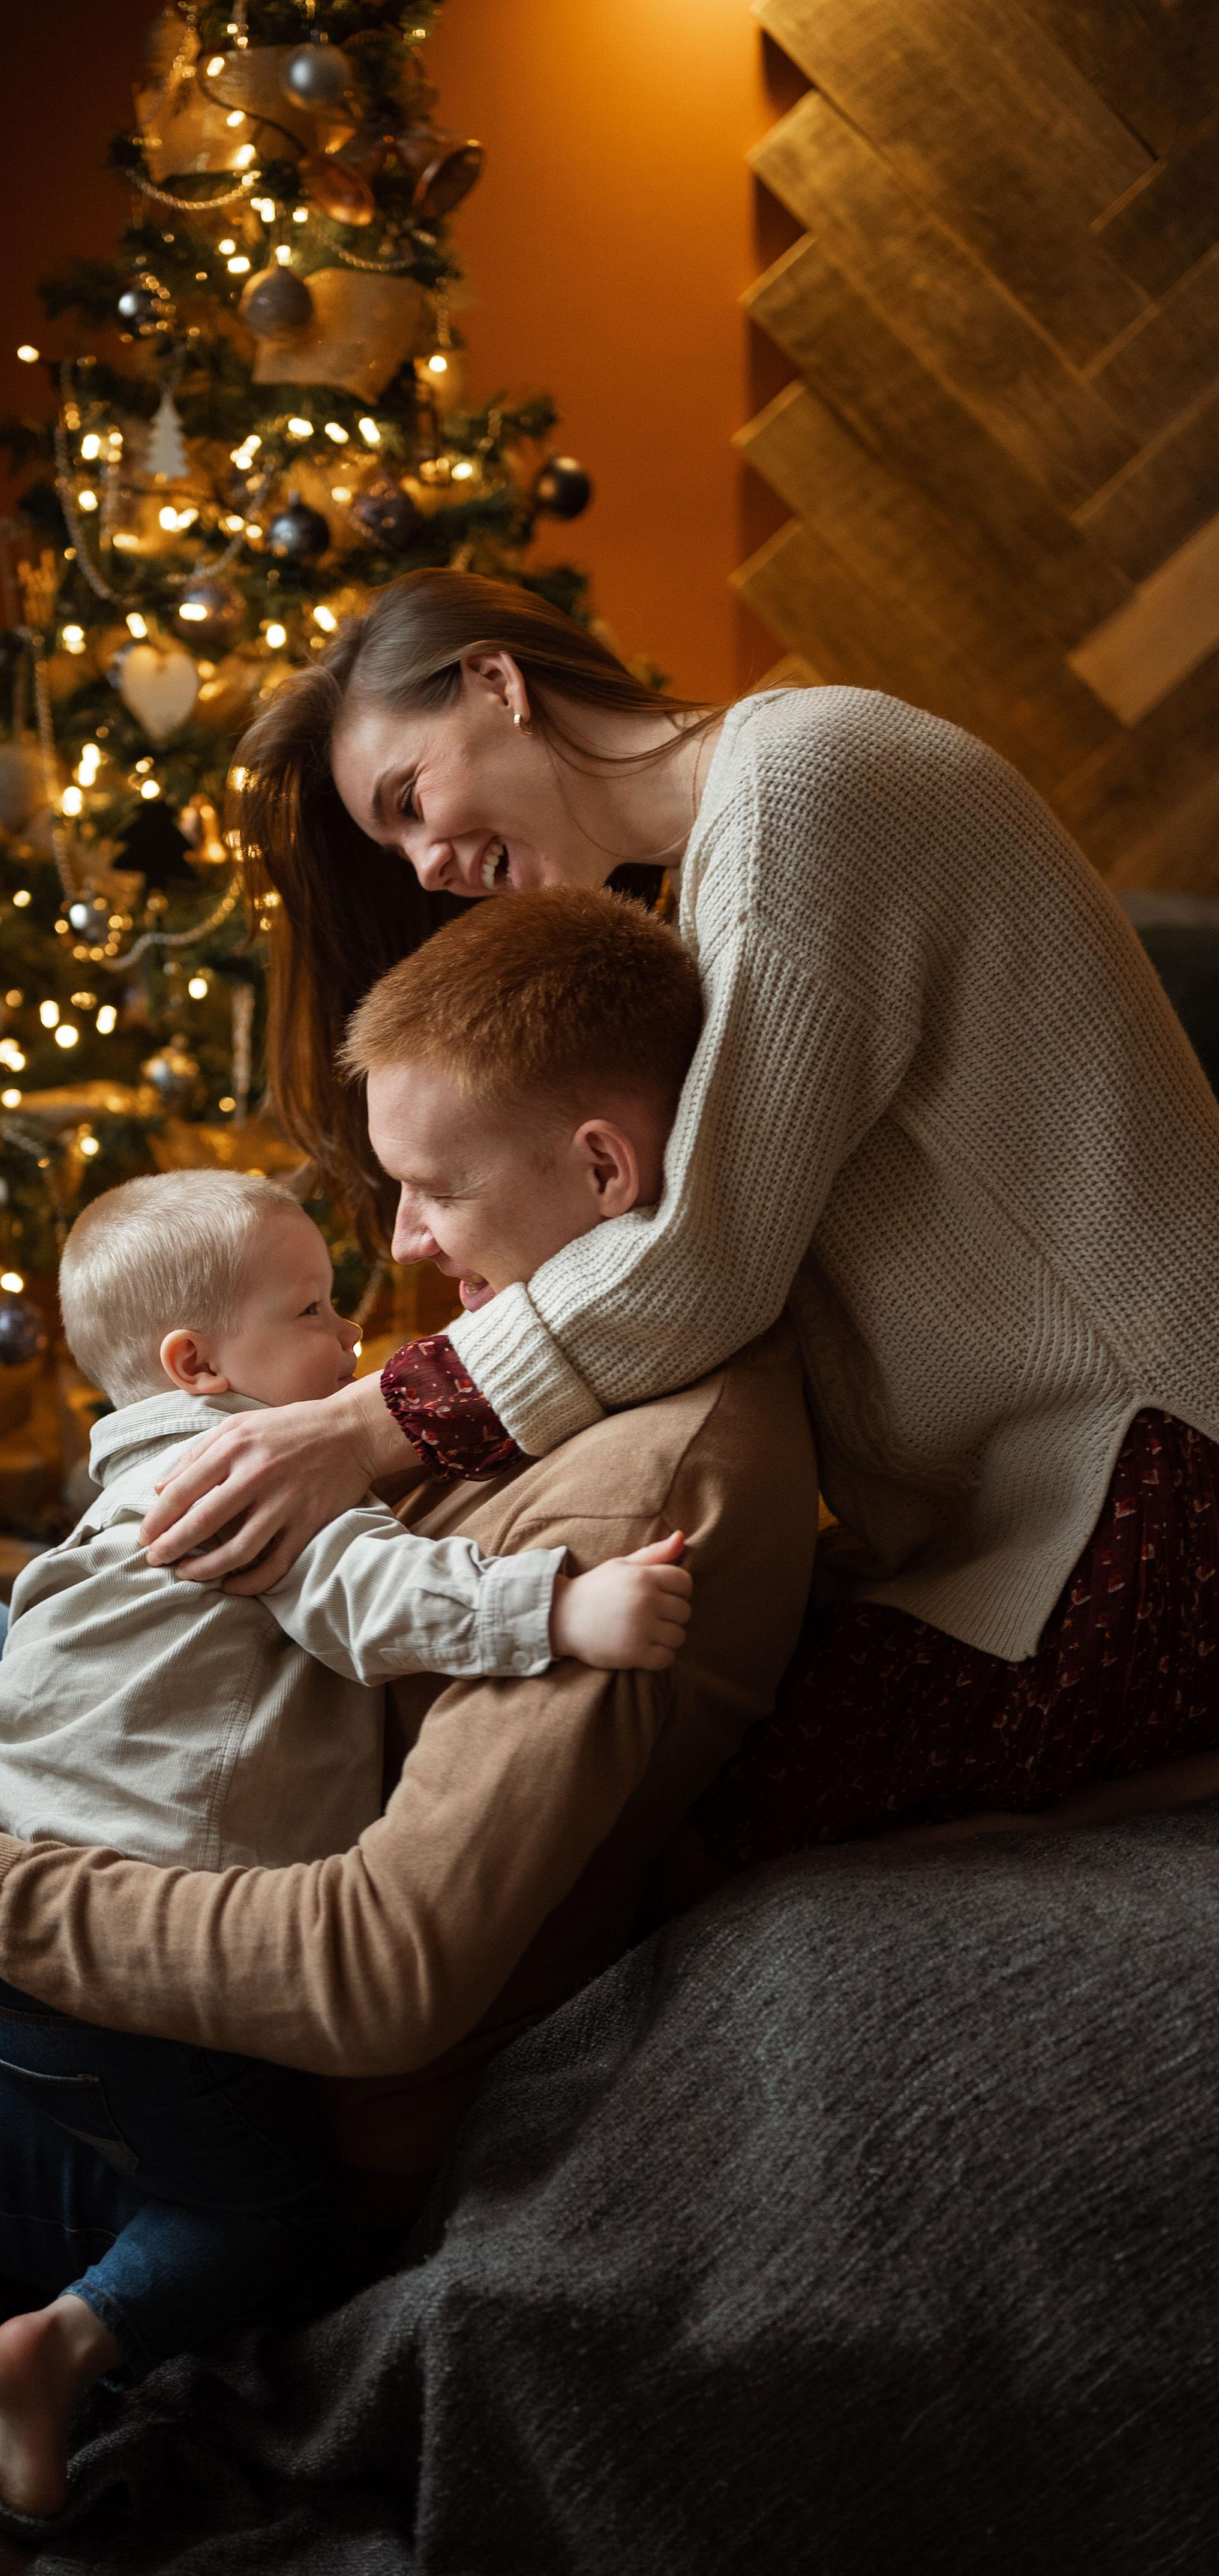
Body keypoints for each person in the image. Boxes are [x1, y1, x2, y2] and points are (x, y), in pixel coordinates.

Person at [0, 887, 816, 2518]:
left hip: (240, 2106)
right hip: (217, 1756)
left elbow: (383, 1970)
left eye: (430, 1188)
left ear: (606, 1173)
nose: (400, 1243)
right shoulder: (567, 1329)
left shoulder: (637, 1504)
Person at [136, 568, 1219, 1851]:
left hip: (1154, 1487)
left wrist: (350, 1430)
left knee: (682, 1816)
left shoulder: (804, 786)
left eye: (411, 799)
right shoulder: (714, 870)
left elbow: (697, 1264)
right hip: (1022, 1509)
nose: (427, 867)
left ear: (498, 681)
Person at [0, 1164, 693, 2510]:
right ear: (196, 1364)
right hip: (103, 1997)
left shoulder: (118, 1481)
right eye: (313, 1308)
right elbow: (369, 1591)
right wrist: (558, 1613)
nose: (349, 1336)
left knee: (16, 1752)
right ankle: (65, 2343)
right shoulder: (255, 1487)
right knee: (269, 2215)